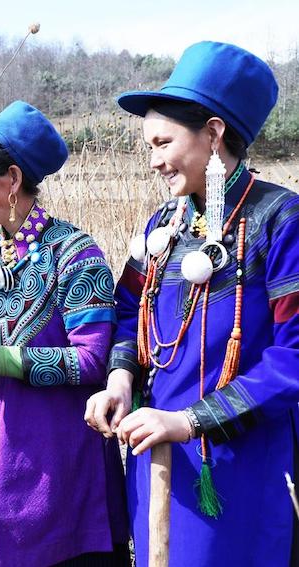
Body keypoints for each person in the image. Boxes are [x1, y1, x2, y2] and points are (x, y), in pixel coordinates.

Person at [84, 41, 299, 565]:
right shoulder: (164, 226)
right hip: (158, 455)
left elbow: (293, 358)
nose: (154, 160)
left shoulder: (281, 221)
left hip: (237, 466)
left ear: (214, 133)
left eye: (163, 143)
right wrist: (120, 379)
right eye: (149, 146)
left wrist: (190, 421)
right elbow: (125, 312)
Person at [0, 100, 129, 566]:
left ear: (14, 180)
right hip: (4, 458)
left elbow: (91, 361)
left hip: (63, 464)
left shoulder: (76, 254)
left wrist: (0, 359)